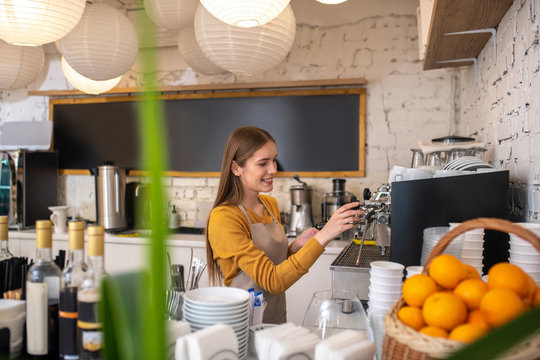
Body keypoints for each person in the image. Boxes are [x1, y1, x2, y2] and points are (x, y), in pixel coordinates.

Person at [206, 126, 362, 324]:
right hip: (243, 325)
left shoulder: (269, 205)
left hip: (275, 319)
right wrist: (324, 237)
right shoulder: (224, 218)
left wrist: (295, 248)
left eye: (274, 160)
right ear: (236, 168)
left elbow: (273, 264)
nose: (273, 170)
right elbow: (273, 281)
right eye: (263, 163)